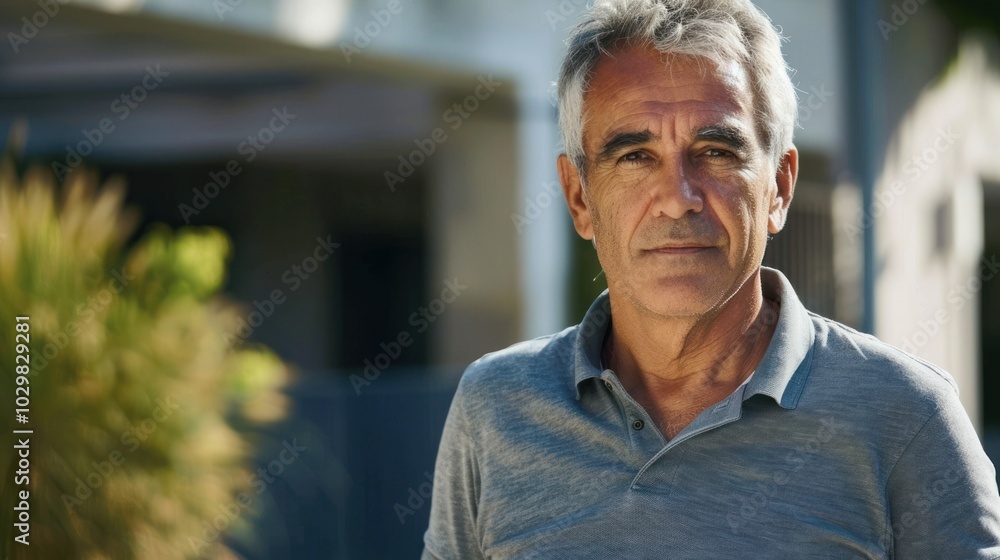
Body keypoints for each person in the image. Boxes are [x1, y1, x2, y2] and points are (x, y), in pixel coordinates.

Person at [421, 0, 1000, 557]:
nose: (678, 199)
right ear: (579, 198)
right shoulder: (494, 408)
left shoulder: (907, 417)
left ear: (780, 186)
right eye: (634, 157)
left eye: (716, 150)